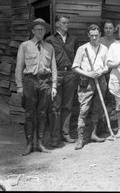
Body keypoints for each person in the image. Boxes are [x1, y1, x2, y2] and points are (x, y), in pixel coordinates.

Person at [15, 18, 57, 156]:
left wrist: (54, 84)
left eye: (43, 29)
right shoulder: (25, 45)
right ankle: (29, 145)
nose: (40, 31)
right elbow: (19, 67)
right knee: (29, 114)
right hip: (30, 81)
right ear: (32, 31)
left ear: (45, 31)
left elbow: (54, 67)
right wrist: (19, 86)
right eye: (37, 29)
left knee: (42, 113)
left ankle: (40, 143)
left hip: (45, 81)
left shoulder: (49, 47)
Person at [72, 24, 109, 150]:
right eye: (91, 35)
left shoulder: (104, 49)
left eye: (96, 35)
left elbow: (107, 66)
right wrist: (88, 73)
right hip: (86, 81)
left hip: (100, 79)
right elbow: (75, 67)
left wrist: (101, 71)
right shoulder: (82, 49)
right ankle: (81, 138)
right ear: (88, 35)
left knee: (97, 109)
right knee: (83, 110)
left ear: (99, 35)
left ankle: (93, 134)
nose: (94, 38)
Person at [45, 14, 80, 148]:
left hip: (70, 74)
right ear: (57, 24)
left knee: (68, 105)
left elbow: (77, 57)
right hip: (56, 74)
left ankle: (65, 134)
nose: (66, 25)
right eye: (64, 23)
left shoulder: (73, 39)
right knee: (55, 106)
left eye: (68, 23)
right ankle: (55, 137)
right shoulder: (50, 40)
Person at [97, 19, 116, 136]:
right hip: (101, 74)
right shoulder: (100, 41)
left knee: (110, 100)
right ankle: (99, 124)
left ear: (114, 30)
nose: (108, 30)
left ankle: (107, 123)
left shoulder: (116, 43)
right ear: (103, 30)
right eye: (106, 28)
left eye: (110, 28)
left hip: (112, 74)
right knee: (100, 99)